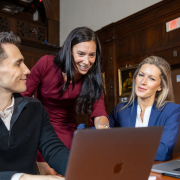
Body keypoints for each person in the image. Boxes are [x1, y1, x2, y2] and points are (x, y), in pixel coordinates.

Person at [21, 27, 109, 174]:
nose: (87, 61)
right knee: (49, 173)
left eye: (92, 55)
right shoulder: (46, 64)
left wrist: (103, 129)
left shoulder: (93, 80)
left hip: (67, 129)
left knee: (70, 172)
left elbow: (100, 112)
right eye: (81, 54)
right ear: (69, 51)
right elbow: (23, 96)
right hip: (41, 127)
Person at [0, 32, 69, 180]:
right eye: (18, 64)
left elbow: (54, 149)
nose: (27, 70)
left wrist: (79, 170)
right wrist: (23, 178)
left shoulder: (35, 108)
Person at [109, 56, 180, 161]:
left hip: (154, 172)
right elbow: (101, 139)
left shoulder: (172, 111)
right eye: (141, 75)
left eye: (152, 78)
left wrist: (121, 143)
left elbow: (162, 152)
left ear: (160, 86)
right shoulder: (121, 109)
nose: (143, 81)